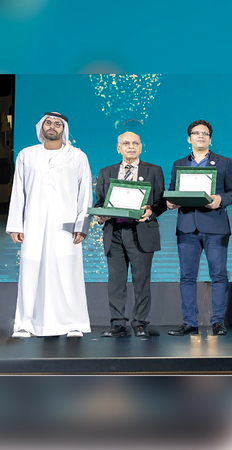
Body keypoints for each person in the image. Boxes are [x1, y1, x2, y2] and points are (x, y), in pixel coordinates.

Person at [7, 112, 92, 338]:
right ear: (41, 127)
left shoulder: (77, 156)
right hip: (33, 225)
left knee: (68, 273)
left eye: (57, 124)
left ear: (64, 129)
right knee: (30, 272)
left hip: (66, 227)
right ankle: (25, 323)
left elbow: (85, 194)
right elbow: (18, 191)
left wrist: (82, 225)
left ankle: (74, 323)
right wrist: (16, 225)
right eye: (48, 123)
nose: (52, 127)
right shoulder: (26, 155)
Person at [166, 119, 232, 336]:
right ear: (189, 139)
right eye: (196, 133)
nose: (201, 136)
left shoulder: (224, 163)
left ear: (210, 139)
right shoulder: (179, 164)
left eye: (205, 133)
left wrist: (221, 199)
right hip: (187, 226)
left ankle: (218, 321)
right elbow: (172, 190)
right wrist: (171, 202)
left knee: (218, 275)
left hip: (215, 226)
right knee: (187, 277)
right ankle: (189, 322)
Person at [95, 131, 166, 338]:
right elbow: (99, 202)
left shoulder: (154, 170)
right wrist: (100, 214)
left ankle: (140, 322)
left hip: (140, 231)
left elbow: (161, 202)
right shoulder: (106, 172)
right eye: (126, 143)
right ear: (119, 148)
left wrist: (151, 211)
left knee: (141, 280)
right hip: (114, 232)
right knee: (116, 281)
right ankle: (117, 323)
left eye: (135, 143)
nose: (131, 147)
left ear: (141, 147)